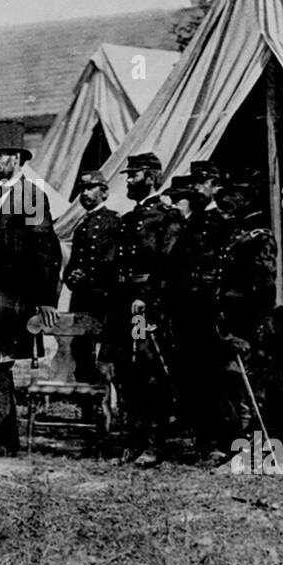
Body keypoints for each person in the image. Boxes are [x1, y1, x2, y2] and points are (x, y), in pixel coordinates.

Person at [0, 120, 62, 457]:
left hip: (13, 302)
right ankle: (3, 439)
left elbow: (47, 251)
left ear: (17, 159)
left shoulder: (31, 196)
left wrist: (47, 300)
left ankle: (1, 441)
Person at [169, 160, 276, 461]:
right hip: (207, 312)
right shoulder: (209, 226)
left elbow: (256, 281)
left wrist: (246, 317)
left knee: (238, 380)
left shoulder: (244, 230)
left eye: (203, 182)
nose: (232, 201)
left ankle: (246, 444)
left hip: (233, 314)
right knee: (211, 380)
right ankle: (219, 442)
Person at [101, 152, 183, 468]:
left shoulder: (167, 218)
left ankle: (154, 443)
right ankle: (132, 442)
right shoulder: (130, 218)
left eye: (133, 175)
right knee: (126, 371)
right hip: (124, 304)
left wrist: (147, 298)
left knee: (148, 370)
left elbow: (169, 266)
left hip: (144, 307)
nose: (129, 181)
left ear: (150, 176)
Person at [62, 170, 119, 381]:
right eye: (82, 189)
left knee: (106, 354)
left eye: (90, 188)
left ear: (104, 192)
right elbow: (73, 263)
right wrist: (71, 277)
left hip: (104, 300)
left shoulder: (114, 222)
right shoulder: (81, 227)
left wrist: (88, 277)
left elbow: (115, 262)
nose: (84, 193)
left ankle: (106, 405)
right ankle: (87, 407)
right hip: (82, 300)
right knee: (81, 351)